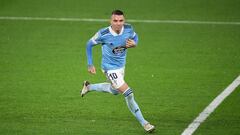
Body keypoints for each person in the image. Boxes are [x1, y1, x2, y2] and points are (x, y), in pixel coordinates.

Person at [81, 9, 155, 132]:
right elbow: (89, 44)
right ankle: (145, 123)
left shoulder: (128, 29)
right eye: (115, 21)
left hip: (121, 67)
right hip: (109, 69)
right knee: (129, 93)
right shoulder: (103, 34)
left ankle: (89, 87)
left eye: (121, 20)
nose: (118, 23)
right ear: (111, 21)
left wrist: (135, 43)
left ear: (124, 21)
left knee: (114, 91)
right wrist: (90, 64)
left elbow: (135, 36)